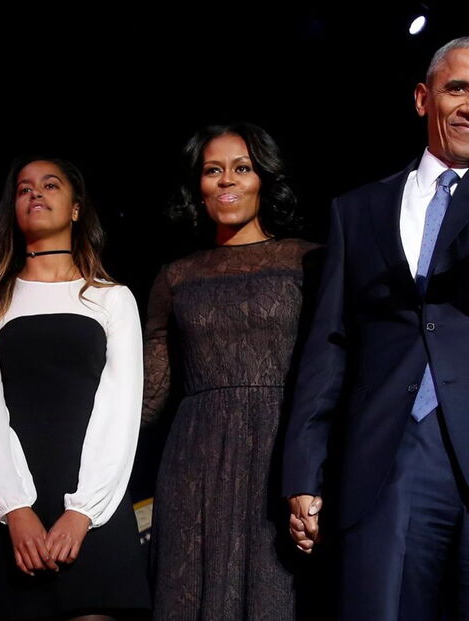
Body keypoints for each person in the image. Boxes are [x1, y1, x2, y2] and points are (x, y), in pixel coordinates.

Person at [282, 34, 469, 620]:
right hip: (388, 460)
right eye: (459, 88)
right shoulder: (358, 209)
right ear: (424, 98)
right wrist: (304, 472)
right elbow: (328, 346)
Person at [0, 157, 149, 620]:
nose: (35, 193)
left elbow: (119, 409)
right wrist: (14, 509)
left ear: (76, 208)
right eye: (23, 189)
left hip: (94, 503)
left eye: (49, 185)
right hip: (3, 512)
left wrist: (84, 511)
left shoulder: (112, 298)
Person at [144, 122, 319, 619]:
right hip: (194, 462)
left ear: (263, 179)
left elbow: (333, 375)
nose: (227, 181)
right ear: (198, 188)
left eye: (241, 168)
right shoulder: (175, 276)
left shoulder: (308, 261)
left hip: (283, 455)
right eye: (213, 171)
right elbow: (150, 396)